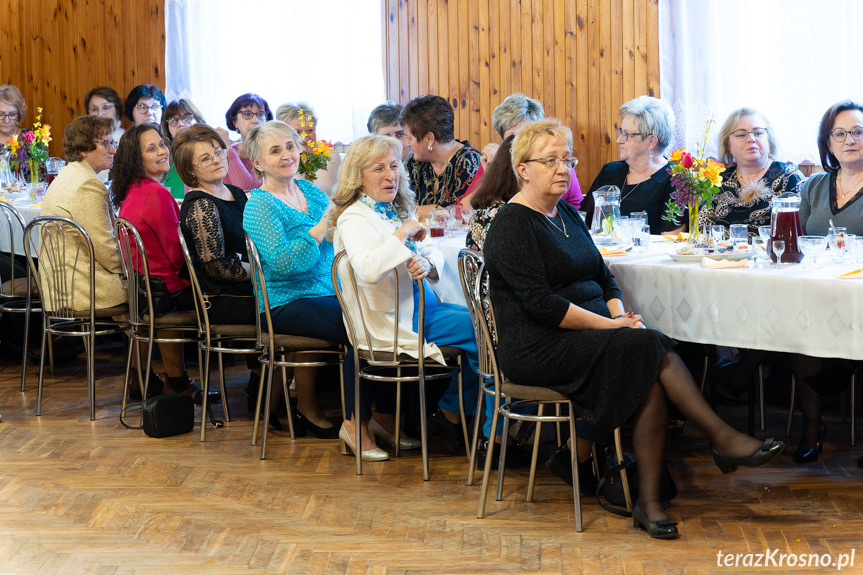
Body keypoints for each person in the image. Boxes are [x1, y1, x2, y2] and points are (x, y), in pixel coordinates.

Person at [483, 119, 783, 539]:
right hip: (538, 346)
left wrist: (621, 317)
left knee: (647, 364)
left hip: (585, 335)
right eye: (549, 160)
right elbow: (543, 306)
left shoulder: (566, 211)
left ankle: (650, 501)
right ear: (522, 168)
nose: (562, 169)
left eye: (567, 159)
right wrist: (611, 326)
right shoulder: (513, 223)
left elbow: (604, 278)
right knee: (648, 348)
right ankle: (717, 440)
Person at [330, 134, 480, 460]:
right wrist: (403, 232)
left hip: (422, 305)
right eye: (378, 168)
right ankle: (459, 416)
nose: (390, 175)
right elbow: (368, 268)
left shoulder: (390, 210)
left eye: (394, 166)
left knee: (484, 325)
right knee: (480, 331)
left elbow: (429, 250)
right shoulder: (355, 217)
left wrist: (428, 262)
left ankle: (455, 413)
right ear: (358, 176)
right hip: (395, 317)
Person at [40, 116, 161, 395]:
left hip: (65, 283)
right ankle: (145, 379)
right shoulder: (87, 185)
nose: (112, 149)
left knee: (147, 288)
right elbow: (105, 249)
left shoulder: (71, 176)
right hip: (83, 288)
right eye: (105, 143)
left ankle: (142, 377)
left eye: (112, 142)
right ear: (83, 149)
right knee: (153, 296)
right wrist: (138, 271)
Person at [242, 120, 345, 440]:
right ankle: (358, 419)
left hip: (327, 289)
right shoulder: (258, 204)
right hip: (284, 299)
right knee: (361, 327)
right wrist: (317, 231)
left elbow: (340, 235)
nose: (287, 155)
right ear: (257, 163)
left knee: (378, 310)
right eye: (275, 151)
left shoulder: (311, 191)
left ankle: (364, 415)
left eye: (290, 146)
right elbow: (285, 264)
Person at [173, 124, 271, 424]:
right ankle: (267, 386)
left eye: (218, 152)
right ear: (190, 170)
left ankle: (268, 383)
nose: (217, 159)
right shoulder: (201, 204)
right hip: (218, 297)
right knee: (285, 304)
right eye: (205, 158)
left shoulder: (236, 192)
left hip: (243, 286)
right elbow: (218, 266)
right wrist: (262, 274)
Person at [111, 123, 208, 401]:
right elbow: (177, 254)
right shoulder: (156, 193)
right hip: (165, 290)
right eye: (151, 148)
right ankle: (177, 382)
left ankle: (140, 378)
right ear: (136, 158)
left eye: (161, 145)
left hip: (143, 287)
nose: (162, 151)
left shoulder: (133, 189)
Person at [462, 93, 583, 210]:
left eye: (529, 136)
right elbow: (463, 209)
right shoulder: (493, 164)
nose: (521, 143)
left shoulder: (562, 168)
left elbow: (576, 208)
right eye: (514, 137)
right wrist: (490, 170)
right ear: (502, 140)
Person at [582, 96, 680, 235]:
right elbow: (584, 223)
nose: (618, 140)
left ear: (651, 142)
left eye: (627, 134)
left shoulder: (675, 180)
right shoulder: (610, 171)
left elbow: (671, 240)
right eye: (620, 131)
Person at [701, 108, 804, 238]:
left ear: (769, 139)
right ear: (727, 145)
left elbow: (801, 231)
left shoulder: (791, 178)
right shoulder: (717, 181)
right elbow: (702, 231)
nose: (751, 139)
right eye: (741, 135)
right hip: (722, 256)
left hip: (774, 256)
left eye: (758, 133)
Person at [400, 94, 481, 215]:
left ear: (429, 139)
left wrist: (420, 210)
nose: (407, 144)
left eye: (410, 138)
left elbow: (462, 212)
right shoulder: (414, 163)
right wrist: (438, 210)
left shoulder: (468, 162)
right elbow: (403, 207)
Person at [276, 102, 342, 197]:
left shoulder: (329, 156)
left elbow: (321, 191)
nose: (305, 138)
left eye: (310, 130)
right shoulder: (280, 158)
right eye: (297, 132)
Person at [220, 93, 272, 192]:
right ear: (234, 121)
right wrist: (228, 149)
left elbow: (247, 189)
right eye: (247, 114)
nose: (255, 121)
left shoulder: (271, 152)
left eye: (261, 114)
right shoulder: (223, 154)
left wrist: (228, 149)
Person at [160, 98, 207, 199]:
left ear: (198, 120)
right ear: (167, 128)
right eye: (173, 120)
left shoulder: (208, 153)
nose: (180, 124)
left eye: (187, 118)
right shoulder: (163, 156)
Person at [84, 87, 125, 181]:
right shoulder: (82, 139)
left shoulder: (124, 139)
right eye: (94, 109)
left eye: (105, 108)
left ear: (117, 110)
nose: (100, 114)